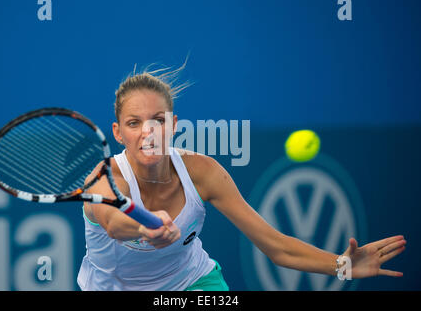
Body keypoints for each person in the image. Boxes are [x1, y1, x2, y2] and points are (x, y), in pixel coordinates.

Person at [77, 64, 406, 291]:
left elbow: (276, 248)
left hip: (190, 284)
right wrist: (144, 227)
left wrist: (340, 265)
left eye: (158, 120)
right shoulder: (105, 178)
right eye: (134, 123)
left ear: (174, 125)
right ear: (119, 133)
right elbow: (113, 223)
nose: (148, 131)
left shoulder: (204, 173)